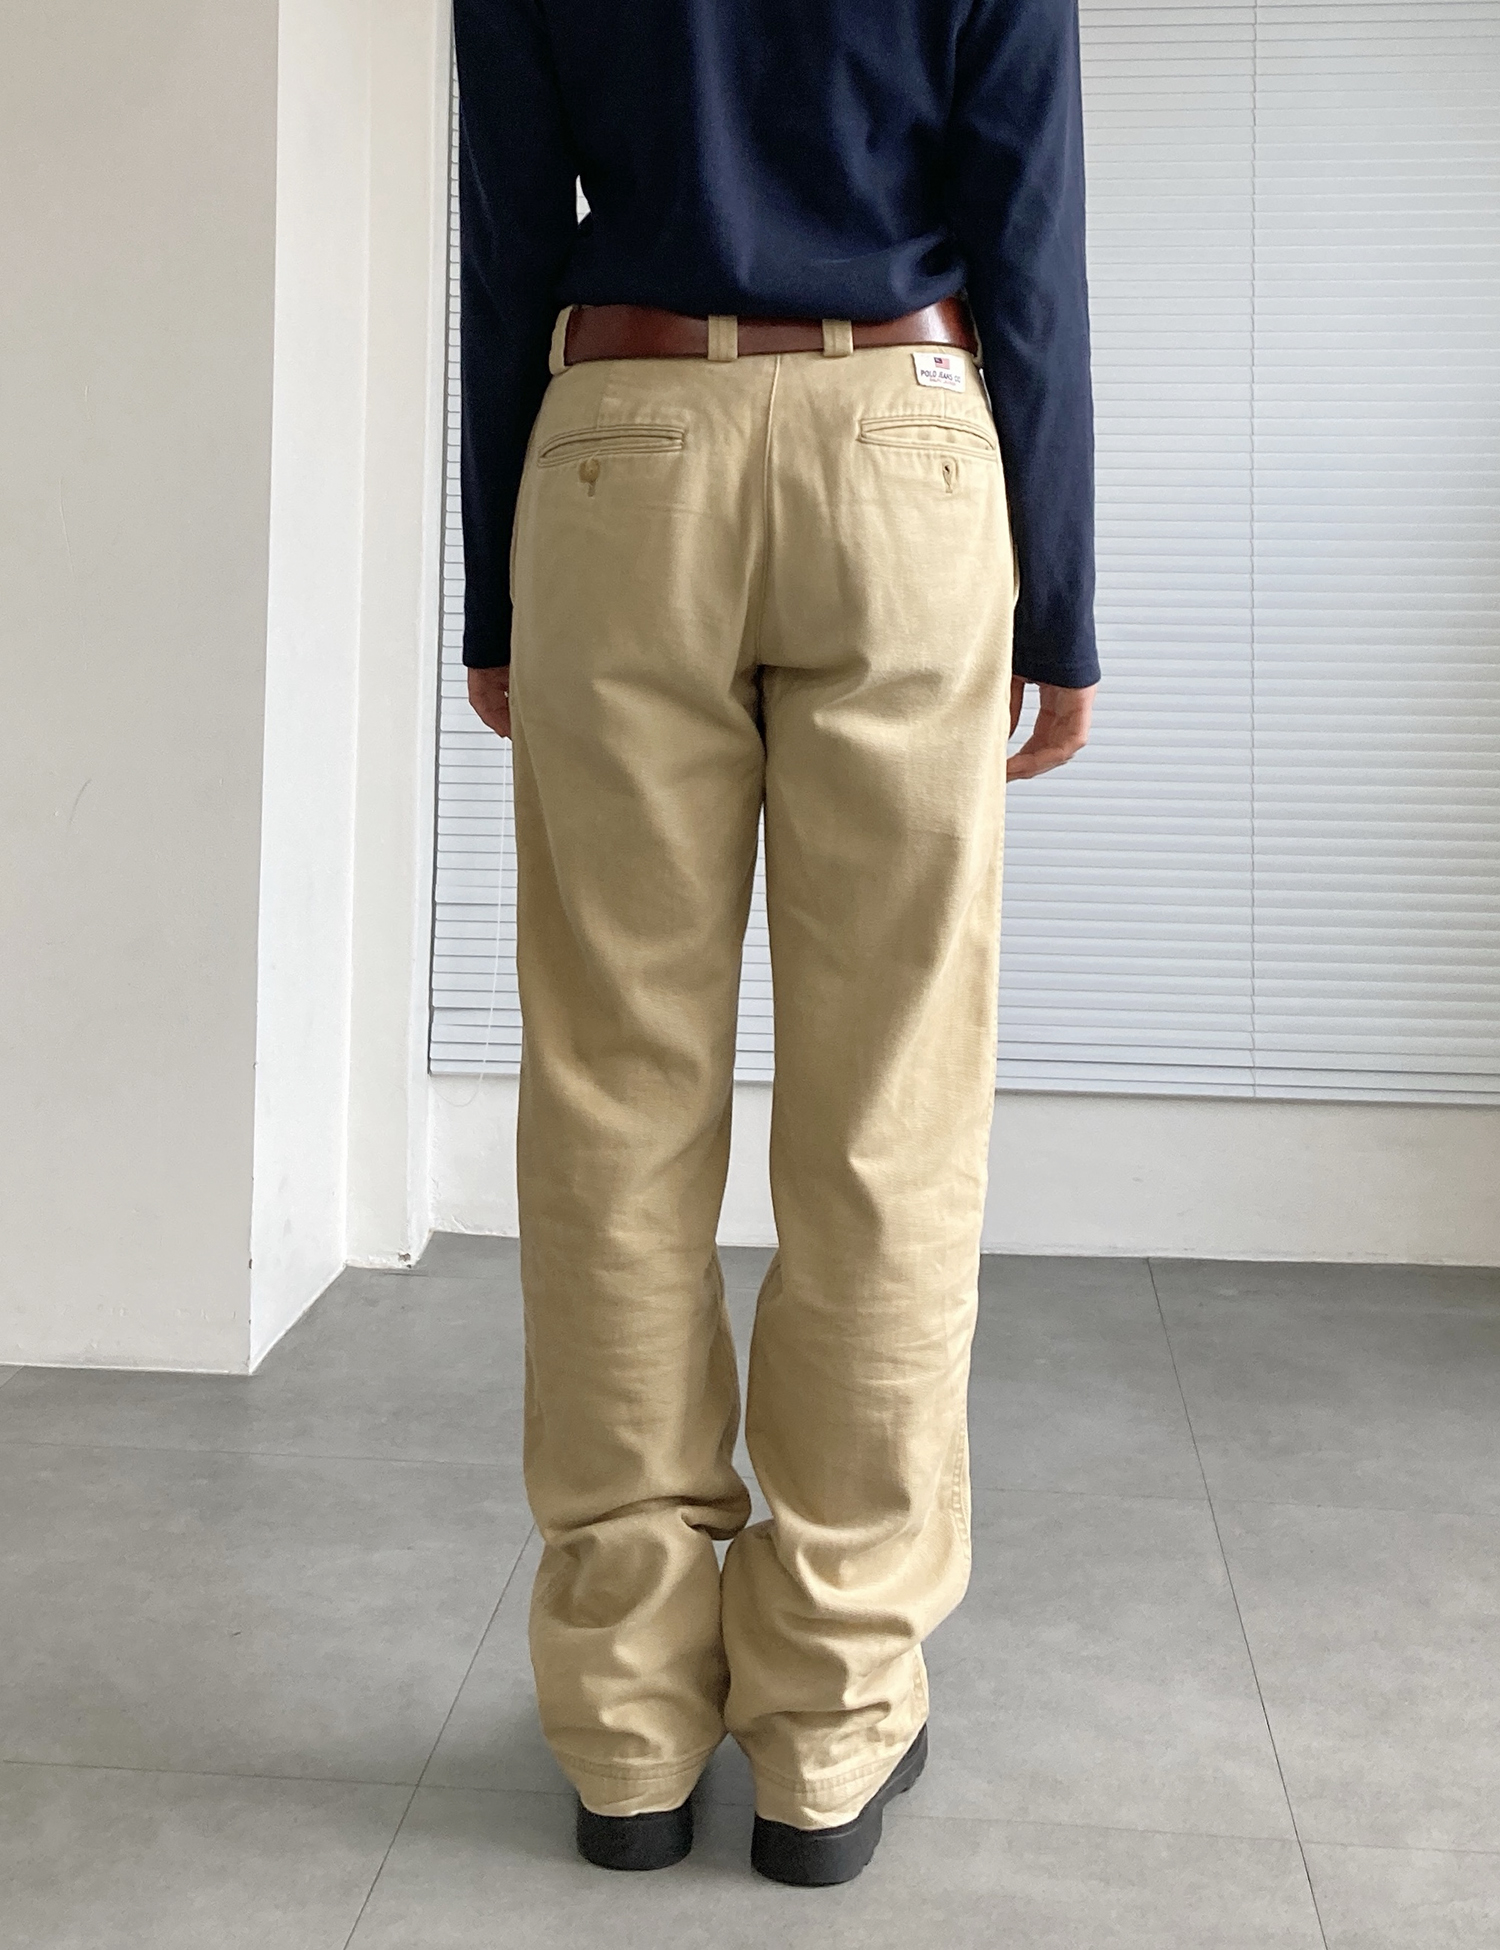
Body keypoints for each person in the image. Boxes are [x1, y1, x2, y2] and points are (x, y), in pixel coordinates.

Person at [453, 0, 1097, 1887]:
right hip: (900, 445)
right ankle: (827, 1719)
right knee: (888, 1118)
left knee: (612, 1100)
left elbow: (511, 223)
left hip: (621, 449)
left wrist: (497, 589)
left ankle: (629, 1728)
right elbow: (1028, 226)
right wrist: (1061, 595)